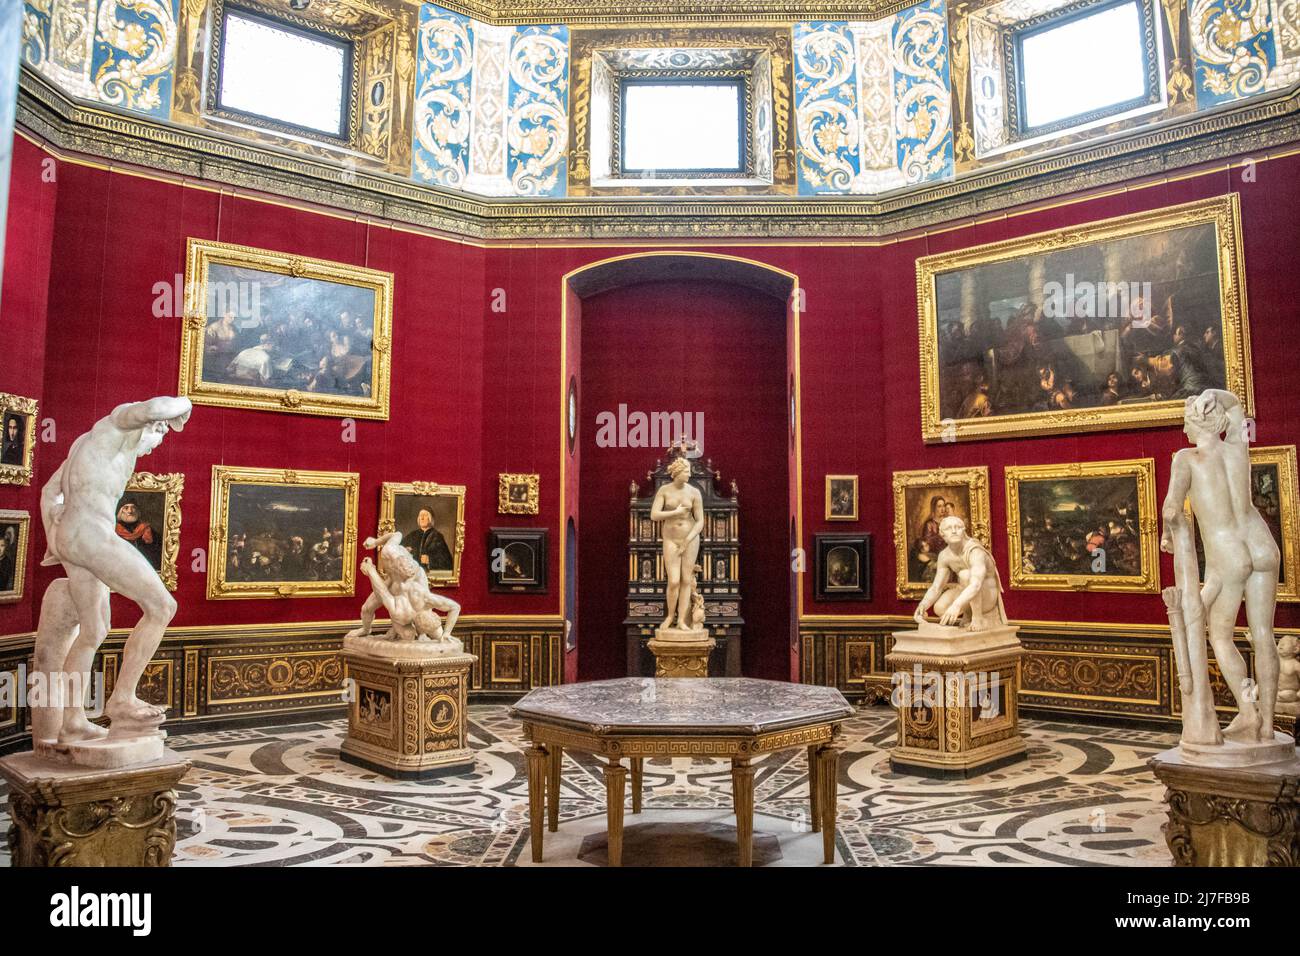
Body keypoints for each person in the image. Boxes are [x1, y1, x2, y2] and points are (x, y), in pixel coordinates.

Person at [33, 396, 191, 748]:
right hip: (91, 535)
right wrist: (186, 403)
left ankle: (73, 722)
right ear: (154, 427)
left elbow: (49, 492)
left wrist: (55, 540)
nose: (156, 446)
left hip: (73, 538)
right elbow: (152, 408)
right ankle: (122, 698)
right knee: (163, 607)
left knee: (94, 630)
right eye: (160, 436)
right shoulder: (117, 425)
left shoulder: (84, 444)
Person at [1162, 389, 1281, 746]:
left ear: (1193, 422)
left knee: (1221, 636)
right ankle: (1267, 726)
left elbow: (1171, 508)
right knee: (1264, 637)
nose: (1183, 427)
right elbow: (1239, 409)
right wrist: (1214, 393)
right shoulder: (1237, 449)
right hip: (1262, 545)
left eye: (1185, 419)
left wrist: (1169, 535)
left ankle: (1248, 711)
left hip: (1228, 555)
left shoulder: (1186, 458)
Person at [913, 515, 1008, 631]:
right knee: (939, 608)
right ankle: (968, 615)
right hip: (966, 594)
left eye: (957, 527)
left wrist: (956, 605)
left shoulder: (975, 551)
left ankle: (978, 618)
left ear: (963, 531)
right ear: (942, 534)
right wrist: (923, 605)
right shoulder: (945, 556)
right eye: (949, 528)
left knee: (966, 575)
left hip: (987, 598)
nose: (953, 531)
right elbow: (936, 587)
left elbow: (976, 584)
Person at [650, 456, 703, 629]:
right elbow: (654, 515)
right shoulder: (664, 490)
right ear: (677, 473)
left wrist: (687, 540)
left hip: (690, 538)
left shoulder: (695, 492)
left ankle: (681, 620)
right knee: (673, 581)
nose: (689, 474)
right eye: (686, 471)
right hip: (671, 539)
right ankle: (670, 616)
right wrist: (675, 512)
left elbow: (700, 521)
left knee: (686, 579)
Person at [114, 499, 161, 569]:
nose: (130, 511)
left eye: (133, 508)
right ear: (120, 511)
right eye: (126, 508)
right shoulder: (113, 529)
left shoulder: (147, 529)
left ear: (138, 511)